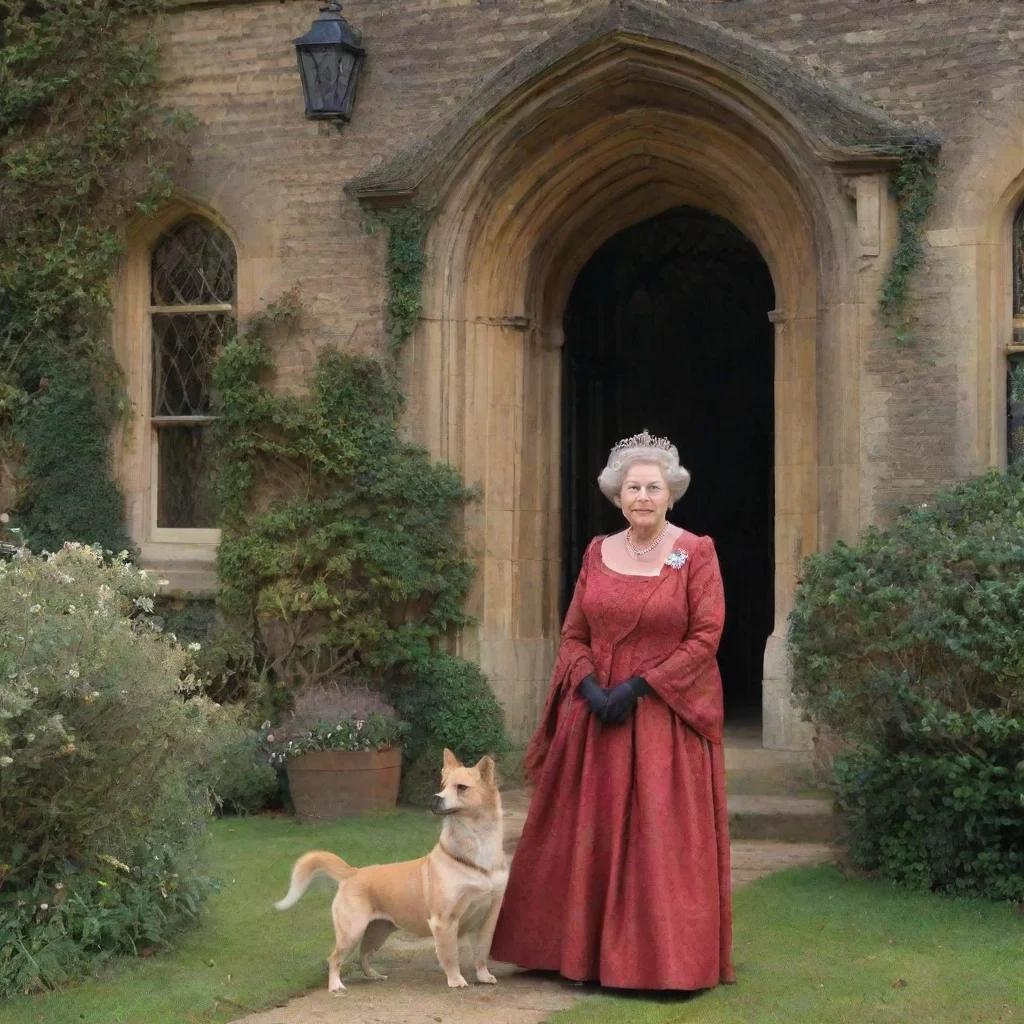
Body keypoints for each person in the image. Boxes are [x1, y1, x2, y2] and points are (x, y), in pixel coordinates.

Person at [489, 430, 734, 991]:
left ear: (671, 493)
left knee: (656, 843)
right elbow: (574, 634)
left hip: (663, 722)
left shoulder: (695, 552)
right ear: (616, 495)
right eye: (632, 487)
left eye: (652, 487)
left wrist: (641, 687)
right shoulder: (598, 552)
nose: (642, 496)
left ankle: (659, 965)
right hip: (597, 719)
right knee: (586, 839)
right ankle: (577, 954)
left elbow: (705, 637)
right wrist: (591, 686)